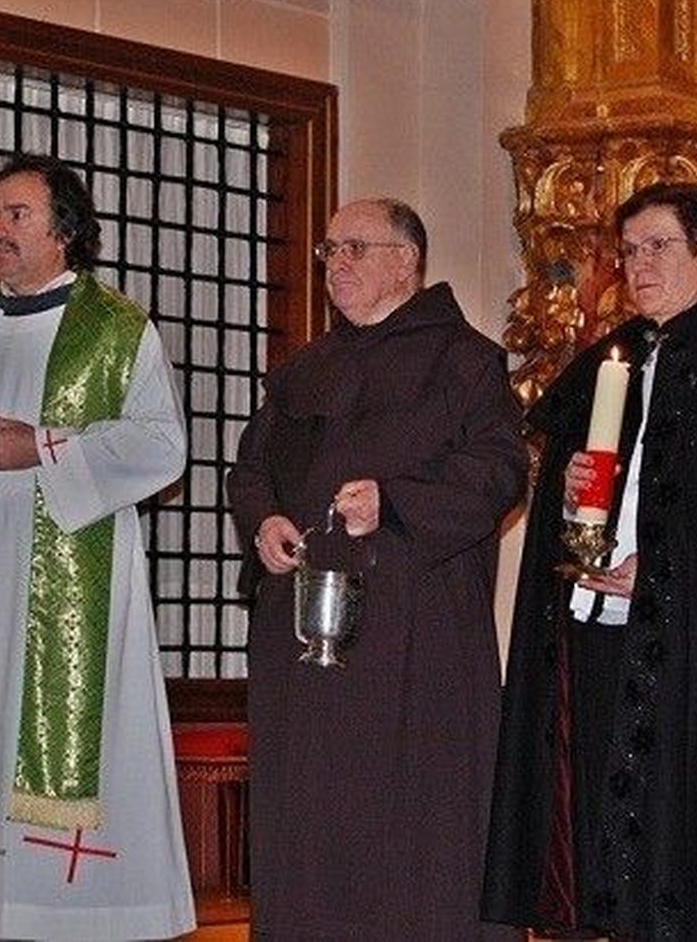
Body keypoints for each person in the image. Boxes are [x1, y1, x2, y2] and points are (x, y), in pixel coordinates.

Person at [482, 182, 697, 940]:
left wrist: (661, 571)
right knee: (599, 802)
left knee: (680, 821)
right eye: (628, 251)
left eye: (658, 246)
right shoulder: (609, 357)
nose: (639, 265)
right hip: (601, 627)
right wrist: (570, 492)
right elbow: (585, 477)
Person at [0, 153, 195, 941]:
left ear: (64, 230)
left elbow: (161, 443)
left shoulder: (117, 327)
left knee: (72, 741)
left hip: (77, 565)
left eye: (17, 214)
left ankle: (83, 918)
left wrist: (46, 448)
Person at [227, 197, 527, 940]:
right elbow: (250, 470)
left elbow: (499, 474)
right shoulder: (302, 370)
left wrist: (392, 503)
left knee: (406, 826)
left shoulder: (464, 360)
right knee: (309, 817)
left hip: (412, 636)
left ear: (407, 261)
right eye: (329, 252)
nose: (337, 265)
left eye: (356, 248)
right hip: (303, 640)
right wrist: (262, 520)